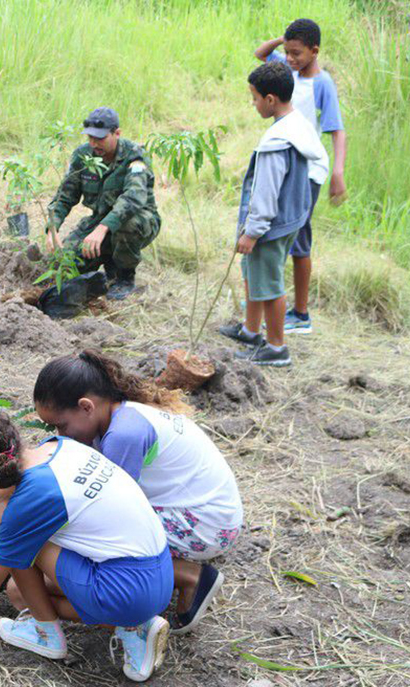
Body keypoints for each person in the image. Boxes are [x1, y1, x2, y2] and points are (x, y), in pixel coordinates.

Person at [0, 400, 173, 683]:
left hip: (126, 590)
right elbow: (19, 490)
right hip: (158, 575)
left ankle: (48, 634)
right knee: (18, 591)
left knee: (2, 516)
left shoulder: (32, 498)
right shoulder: (60, 446)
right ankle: (136, 624)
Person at [31, 351, 243, 635]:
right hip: (208, 510)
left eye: (61, 426)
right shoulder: (117, 413)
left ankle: (190, 576)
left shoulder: (122, 436)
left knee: (86, 536)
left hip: (205, 524)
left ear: (85, 407)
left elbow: (107, 510)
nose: (61, 434)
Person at [218, 61, 327, 367]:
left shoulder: (277, 142)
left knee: (268, 285)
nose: (252, 104)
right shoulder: (298, 125)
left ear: (270, 99)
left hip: (270, 226)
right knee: (255, 275)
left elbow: (267, 192)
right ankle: (252, 331)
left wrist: (253, 231)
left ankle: (276, 347)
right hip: (290, 218)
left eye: (254, 98)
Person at [256, 18, 347, 334]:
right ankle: (271, 299)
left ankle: (301, 313)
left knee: (298, 236)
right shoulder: (287, 70)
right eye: (288, 52)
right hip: (285, 165)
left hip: (309, 170)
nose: (291, 59)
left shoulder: (322, 83)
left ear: (315, 51)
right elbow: (260, 54)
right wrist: (282, 40)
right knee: (279, 231)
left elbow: (337, 131)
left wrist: (338, 171)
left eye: (297, 53)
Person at [45, 107, 161, 300]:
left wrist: (102, 228)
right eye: (90, 138)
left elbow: (134, 197)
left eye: (100, 138)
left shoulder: (135, 156)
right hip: (99, 220)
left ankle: (124, 277)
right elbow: (65, 196)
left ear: (117, 133)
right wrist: (52, 226)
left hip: (139, 220)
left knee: (127, 226)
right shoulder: (83, 156)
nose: (93, 143)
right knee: (67, 264)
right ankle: (108, 259)